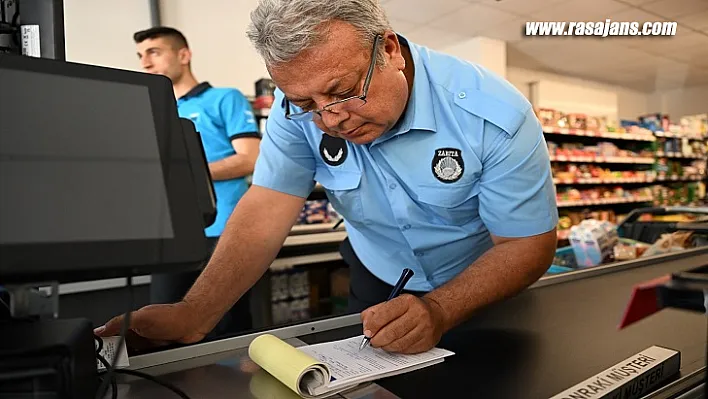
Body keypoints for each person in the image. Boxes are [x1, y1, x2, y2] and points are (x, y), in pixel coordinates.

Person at [96, 0, 558, 354]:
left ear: (391, 50)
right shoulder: (294, 109)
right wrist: (194, 313)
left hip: (480, 284)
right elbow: (266, 206)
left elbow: (525, 244)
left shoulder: (492, 114)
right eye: (307, 103)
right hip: (379, 275)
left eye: (343, 92)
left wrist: (439, 308)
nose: (331, 119)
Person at [132, 26, 261, 338]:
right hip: (171, 233)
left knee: (225, 330)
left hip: (223, 232)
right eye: (140, 55)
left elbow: (249, 158)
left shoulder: (224, 99)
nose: (145, 63)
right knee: (158, 328)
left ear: (184, 55)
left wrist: (184, 172)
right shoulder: (153, 110)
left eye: (154, 52)